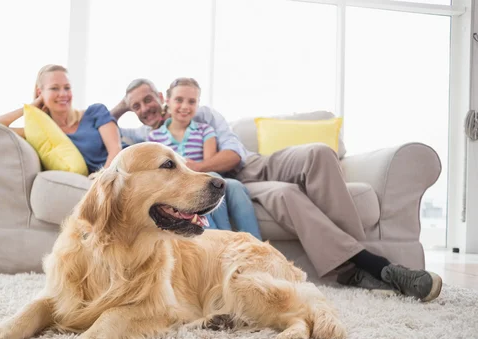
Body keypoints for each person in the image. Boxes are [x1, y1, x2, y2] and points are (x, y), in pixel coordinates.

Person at [111, 78, 443, 302]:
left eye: (146, 100)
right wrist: (122, 107)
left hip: (253, 164)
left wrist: (194, 169)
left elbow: (232, 154)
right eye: (135, 107)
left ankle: (360, 267)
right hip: (238, 186)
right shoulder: (145, 139)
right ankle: (378, 268)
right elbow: (101, 125)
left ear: (161, 96)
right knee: (286, 196)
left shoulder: (202, 114)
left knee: (319, 153)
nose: (143, 110)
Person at [147, 77, 262, 240]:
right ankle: (222, 239)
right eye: (179, 100)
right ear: (168, 101)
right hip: (179, 186)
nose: (185, 106)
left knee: (235, 186)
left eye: (192, 102)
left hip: (205, 178)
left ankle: (255, 243)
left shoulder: (205, 130)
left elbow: (209, 168)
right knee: (218, 181)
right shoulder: (154, 137)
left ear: (198, 104)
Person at [0, 64, 123, 175]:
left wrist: (101, 179)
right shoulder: (43, 134)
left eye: (67, 88)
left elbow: (116, 150)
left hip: (124, 168)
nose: (63, 94)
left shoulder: (95, 112)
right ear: (40, 93)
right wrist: (30, 107)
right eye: (54, 88)